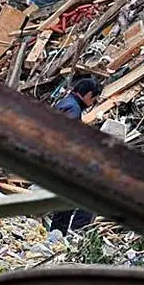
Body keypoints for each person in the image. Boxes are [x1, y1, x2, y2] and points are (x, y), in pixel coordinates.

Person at [50, 76, 102, 234]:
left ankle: (57, 235)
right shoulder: (73, 109)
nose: (92, 103)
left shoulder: (66, 103)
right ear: (88, 95)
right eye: (94, 99)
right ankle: (74, 233)